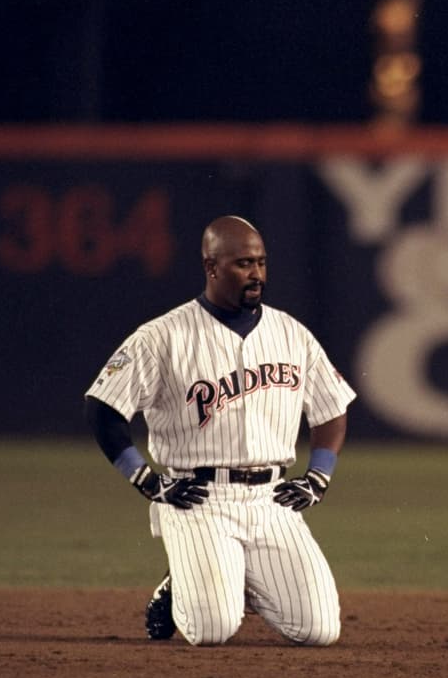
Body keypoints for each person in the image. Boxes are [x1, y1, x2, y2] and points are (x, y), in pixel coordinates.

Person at [83, 215, 356, 646]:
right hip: (196, 499)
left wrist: (319, 475)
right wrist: (144, 477)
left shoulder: (291, 333)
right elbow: (103, 406)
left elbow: (332, 408)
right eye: (244, 264)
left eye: (262, 263)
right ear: (212, 267)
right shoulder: (162, 336)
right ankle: (180, 585)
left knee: (318, 630)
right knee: (212, 630)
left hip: (271, 499)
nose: (257, 274)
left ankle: (229, 575)